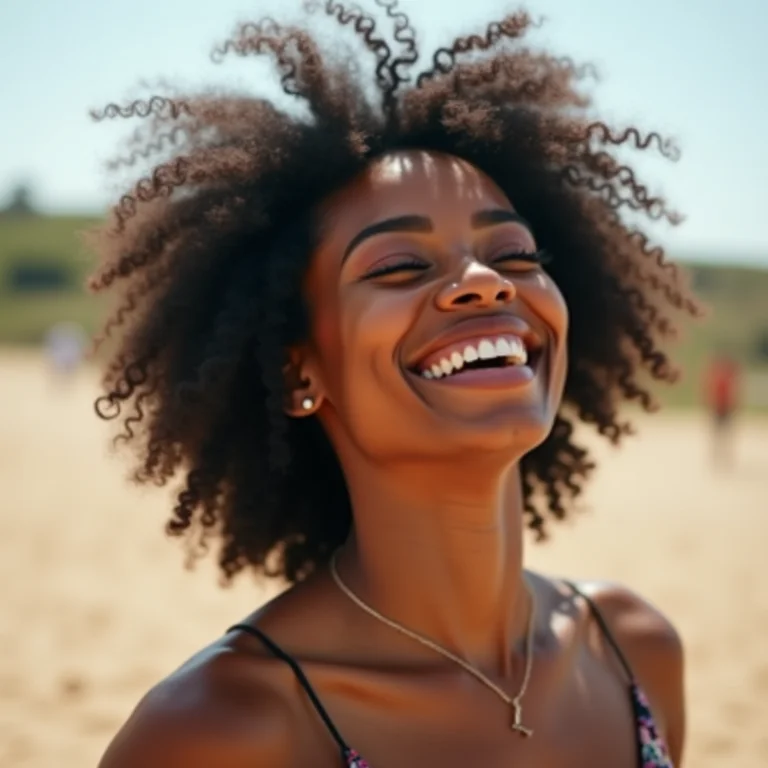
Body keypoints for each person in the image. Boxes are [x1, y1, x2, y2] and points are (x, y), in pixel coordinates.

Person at [90, 3, 697, 766]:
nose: (484, 283)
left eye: (514, 255)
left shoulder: (636, 651)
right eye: (399, 266)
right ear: (298, 370)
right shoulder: (221, 729)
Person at [703, 352, 740, 467]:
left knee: (722, 434)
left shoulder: (722, 378)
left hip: (723, 409)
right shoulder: (722, 378)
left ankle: (722, 456)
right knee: (720, 434)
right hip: (719, 409)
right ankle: (719, 456)